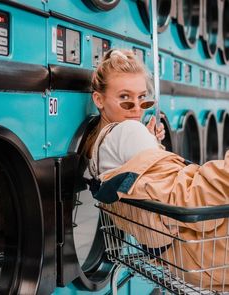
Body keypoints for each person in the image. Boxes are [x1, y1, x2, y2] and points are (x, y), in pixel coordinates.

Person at [84, 48, 229, 290]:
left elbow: (154, 186)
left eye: (143, 98)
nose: (137, 109)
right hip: (199, 249)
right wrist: (151, 144)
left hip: (186, 258)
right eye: (125, 98)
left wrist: (153, 145)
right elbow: (188, 196)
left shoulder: (99, 143)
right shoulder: (130, 130)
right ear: (99, 100)